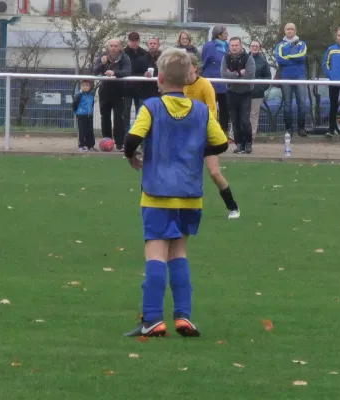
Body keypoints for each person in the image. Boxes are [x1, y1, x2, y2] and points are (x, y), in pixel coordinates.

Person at [123, 48, 229, 338]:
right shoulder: (201, 110)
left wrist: (132, 157)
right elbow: (221, 144)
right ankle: (184, 316)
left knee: (155, 254)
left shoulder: (151, 107)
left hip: (157, 194)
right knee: (179, 253)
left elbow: (131, 139)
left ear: (159, 78)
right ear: (188, 79)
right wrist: (195, 151)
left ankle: (153, 319)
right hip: (190, 195)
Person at [184, 55, 241, 219]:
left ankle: (233, 207)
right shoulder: (180, 86)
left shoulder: (205, 85)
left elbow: (212, 112)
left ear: (195, 68)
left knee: (215, 173)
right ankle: (185, 208)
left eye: (187, 66)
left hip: (205, 134)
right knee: (185, 173)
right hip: (187, 136)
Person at [93, 38, 131, 151]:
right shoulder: (102, 56)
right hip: (105, 91)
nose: (114, 48)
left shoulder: (125, 58)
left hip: (119, 91)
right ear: (108, 47)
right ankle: (107, 141)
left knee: (119, 118)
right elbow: (95, 71)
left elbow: (127, 72)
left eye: (116, 46)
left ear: (120, 47)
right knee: (105, 117)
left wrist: (114, 73)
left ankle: (119, 143)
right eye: (111, 46)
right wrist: (102, 64)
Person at [221, 37, 256, 154]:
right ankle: (239, 144)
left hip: (246, 93)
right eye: (232, 45)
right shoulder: (225, 58)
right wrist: (238, 73)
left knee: (245, 120)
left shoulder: (248, 58)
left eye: (236, 45)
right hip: (231, 93)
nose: (234, 47)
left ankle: (248, 144)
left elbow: (249, 76)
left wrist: (231, 75)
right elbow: (223, 75)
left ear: (241, 46)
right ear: (229, 47)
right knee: (235, 121)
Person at [274, 22, 308, 137]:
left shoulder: (302, 44)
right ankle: (289, 129)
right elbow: (279, 59)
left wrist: (288, 57)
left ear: (295, 31)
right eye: (288, 29)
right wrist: (293, 59)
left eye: (292, 29)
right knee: (287, 104)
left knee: (302, 103)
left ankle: (301, 128)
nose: (290, 31)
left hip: (300, 77)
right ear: (284, 31)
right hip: (286, 77)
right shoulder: (280, 45)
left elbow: (302, 56)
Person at [202, 25, 230, 136]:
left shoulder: (228, 46)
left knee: (225, 109)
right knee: (210, 108)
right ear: (219, 34)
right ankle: (209, 131)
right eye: (225, 33)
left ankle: (224, 132)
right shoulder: (209, 46)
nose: (227, 34)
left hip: (225, 82)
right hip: (212, 81)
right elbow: (204, 61)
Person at [123, 32, 149, 134]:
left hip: (140, 87)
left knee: (140, 112)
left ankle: (137, 134)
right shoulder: (123, 53)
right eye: (132, 41)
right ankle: (126, 135)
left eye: (136, 41)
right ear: (128, 41)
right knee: (126, 112)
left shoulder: (144, 53)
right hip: (126, 87)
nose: (134, 43)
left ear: (139, 41)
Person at [249, 40, 271, 142]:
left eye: (256, 46)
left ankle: (251, 137)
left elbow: (268, 77)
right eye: (253, 46)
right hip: (243, 91)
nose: (254, 47)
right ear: (250, 47)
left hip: (257, 93)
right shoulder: (244, 58)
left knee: (254, 115)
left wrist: (261, 87)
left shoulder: (263, 61)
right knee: (240, 114)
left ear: (260, 48)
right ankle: (234, 136)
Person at [72, 80, 96, 152]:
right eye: (83, 85)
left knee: (90, 131)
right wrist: (77, 112)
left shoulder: (92, 95)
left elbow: (91, 104)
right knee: (82, 131)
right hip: (81, 115)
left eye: (87, 85)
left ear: (90, 86)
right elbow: (74, 105)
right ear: (81, 86)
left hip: (89, 115)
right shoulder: (79, 95)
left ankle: (90, 145)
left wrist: (90, 112)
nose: (85, 87)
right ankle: (81, 145)